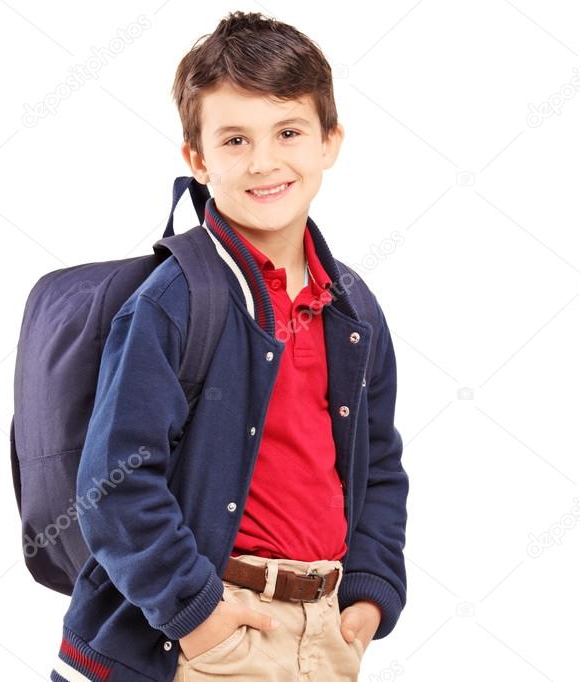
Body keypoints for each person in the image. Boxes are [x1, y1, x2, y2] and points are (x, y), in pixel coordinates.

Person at [50, 11, 408, 682]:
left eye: (289, 132)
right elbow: (114, 483)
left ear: (329, 142)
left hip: (325, 630)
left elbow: (378, 461)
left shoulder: (352, 308)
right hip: (207, 632)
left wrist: (370, 586)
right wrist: (198, 615)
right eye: (235, 139)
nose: (264, 161)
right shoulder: (177, 301)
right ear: (197, 158)